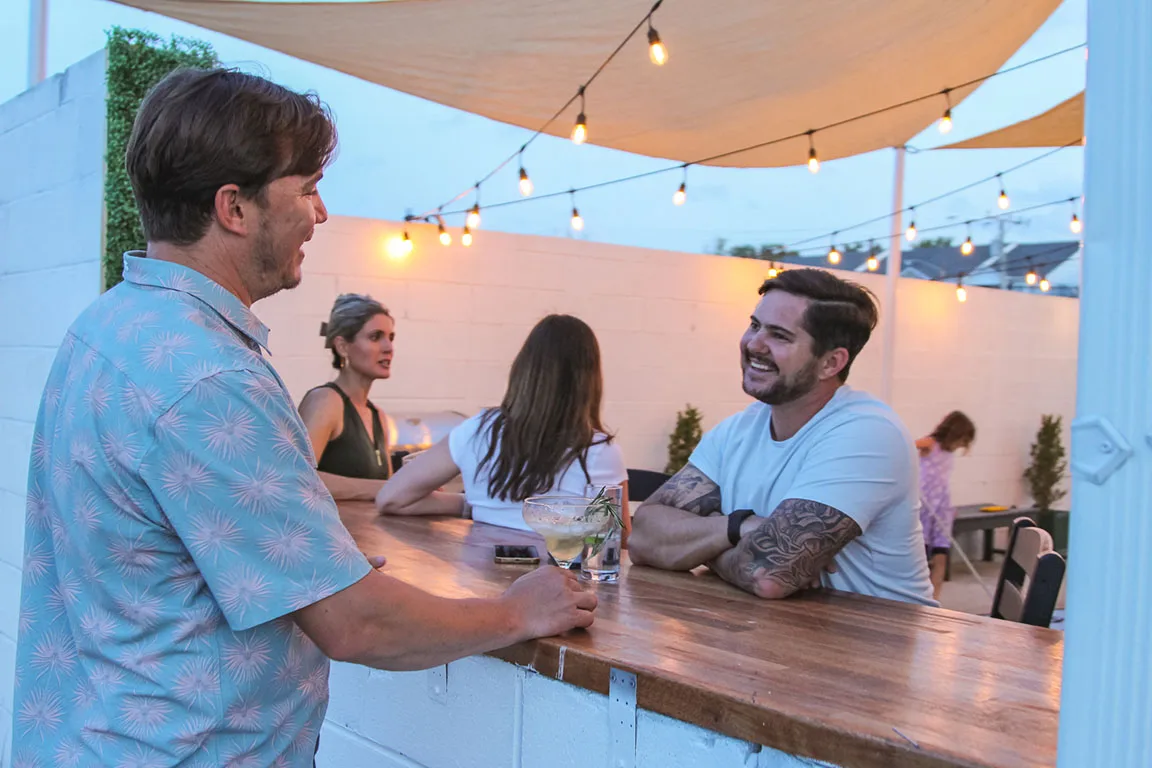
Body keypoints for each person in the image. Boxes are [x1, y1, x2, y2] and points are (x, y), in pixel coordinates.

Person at [11, 68, 595, 767]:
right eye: (307, 190)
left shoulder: (106, 326)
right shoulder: (211, 378)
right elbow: (355, 624)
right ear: (235, 207)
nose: (320, 215)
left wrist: (320, 559)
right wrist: (518, 611)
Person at [629, 269, 936, 606]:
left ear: (830, 363)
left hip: (878, 644)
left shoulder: (867, 433)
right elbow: (643, 535)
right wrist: (738, 529)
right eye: (755, 325)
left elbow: (769, 575)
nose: (754, 344)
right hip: (779, 639)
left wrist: (695, 544)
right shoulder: (740, 429)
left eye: (779, 336)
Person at [376, 314, 630, 536]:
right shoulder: (598, 451)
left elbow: (392, 498)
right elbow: (615, 545)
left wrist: (475, 504)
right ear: (589, 380)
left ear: (522, 368)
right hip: (559, 585)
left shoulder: (476, 430)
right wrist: (469, 504)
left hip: (480, 584)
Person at [298, 294, 396, 500]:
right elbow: (298, 477)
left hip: (366, 532)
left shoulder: (378, 416)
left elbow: (388, 493)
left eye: (391, 337)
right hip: (326, 531)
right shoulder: (326, 401)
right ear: (342, 346)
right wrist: (388, 487)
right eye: (375, 336)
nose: (389, 348)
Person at [916, 411, 977, 600]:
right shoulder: (930, 444)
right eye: (962, 441)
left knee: (941, 556)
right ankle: (921, 597)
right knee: (922, 559)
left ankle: (935, 599)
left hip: (941, 508)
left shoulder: (948, 453)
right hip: (924, 508)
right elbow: (904, 449)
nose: (961, 446)